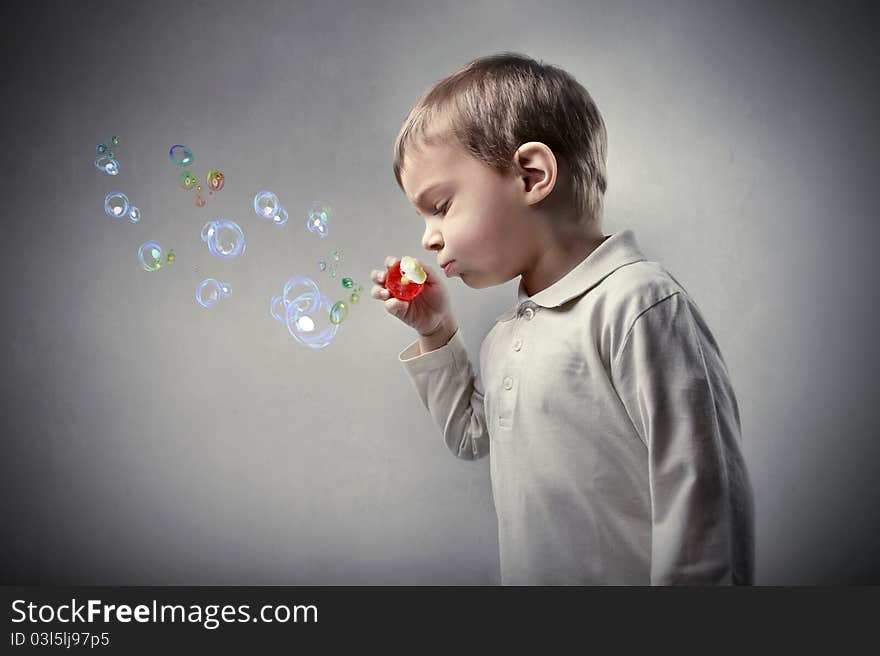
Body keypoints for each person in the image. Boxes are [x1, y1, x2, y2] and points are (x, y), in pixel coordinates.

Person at [371, 52, 754, 585]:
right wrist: (436, 331)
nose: (428, 238)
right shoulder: (507, 334)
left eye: (440, 205)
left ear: (532, 176)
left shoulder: (637, 304)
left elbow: (700, 498)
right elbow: (471, 436)